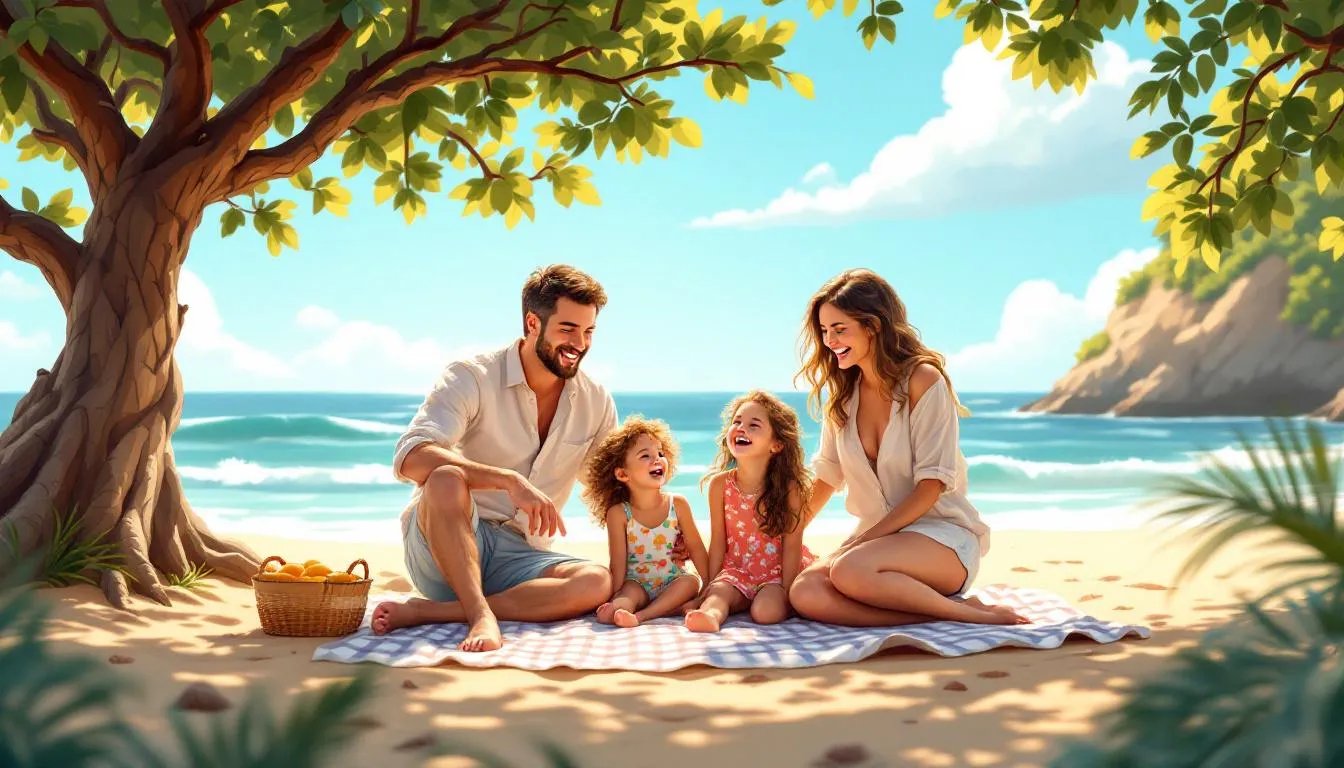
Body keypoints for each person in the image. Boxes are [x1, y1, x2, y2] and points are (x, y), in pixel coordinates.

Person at [370, 265, 618, 651]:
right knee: (445, 477)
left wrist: (664, 533)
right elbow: (411, 457)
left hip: (520, 556)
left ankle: (435, 613)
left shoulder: (595, 400)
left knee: (597, 581)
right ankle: (479, 615)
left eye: (588, 332)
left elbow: (612, 485)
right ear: (532, 323)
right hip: (446, 543)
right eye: (567, 329)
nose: (580, 344)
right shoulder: (472, 376)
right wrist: (507, 480)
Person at [789, 269, 1026, 627]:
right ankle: (918, 617)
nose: (829, 341)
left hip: (941, 538)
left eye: (840, 329)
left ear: (874, 326)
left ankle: (963, 614)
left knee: (850, 569)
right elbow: (826, 477)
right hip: (876, 546)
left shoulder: (922, 381)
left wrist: (862, 541)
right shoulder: (842, 399)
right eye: (824, 331)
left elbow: (931, 486)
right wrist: (786, 536)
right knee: (804, 591)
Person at [684, 390, 815, 633]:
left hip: (775, 572)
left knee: (765, 613)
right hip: (736, 569)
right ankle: (710, 617)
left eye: (754, 425)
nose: (741, 429)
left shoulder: (789, 488)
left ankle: (762, 601)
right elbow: (718, 543)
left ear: (776, 444)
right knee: (719, 595)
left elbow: (792, 544)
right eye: (736, 422)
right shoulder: (720, 485)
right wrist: (709, 586)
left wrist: (787, 591)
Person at [581, 416, 709, 627]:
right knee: (627, 598)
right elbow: (618, 563)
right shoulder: (619, 513)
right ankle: (626, 610)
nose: (657, 459)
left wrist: (708, 584)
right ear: (622, 474)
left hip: (672, 578)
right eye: (645, 456)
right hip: (636, 581)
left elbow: (696, 548)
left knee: (690, 583)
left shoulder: (678, 504)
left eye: (660, 453)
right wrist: (614, 595)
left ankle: (642, 617)